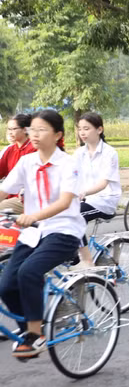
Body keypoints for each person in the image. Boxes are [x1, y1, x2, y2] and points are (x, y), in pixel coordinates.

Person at [0, 110, 85, 358]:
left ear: (58, 134)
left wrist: (35, 215)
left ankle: (36, 335)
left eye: (41, 130)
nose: (34, 135)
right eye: (32, 130)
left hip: (64, 231)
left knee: (29, 272)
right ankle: (28, 331)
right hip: (33, 234)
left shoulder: (68, 164)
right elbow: (5, 190)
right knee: (5, 286)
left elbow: (65, 201)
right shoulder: (27, 163)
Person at [73, 113, 121, 267]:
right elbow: (68, 175)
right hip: (84, 199)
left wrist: (84, 192)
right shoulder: (79, 153)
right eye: (80, 129)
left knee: (76, 216)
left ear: (99, 129)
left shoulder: (109, 153)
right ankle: (71, 253)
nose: (82, 133)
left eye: (86, 128)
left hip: (104, 200)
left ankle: (86, 261)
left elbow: (103, 183)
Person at [0, 114, 36, 214]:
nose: (10, 132)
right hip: (8, 195)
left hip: (25, 199)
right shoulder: (11, 149)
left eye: (14, 129)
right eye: (9, 129)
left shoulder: (33, 149)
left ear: (25, 130)